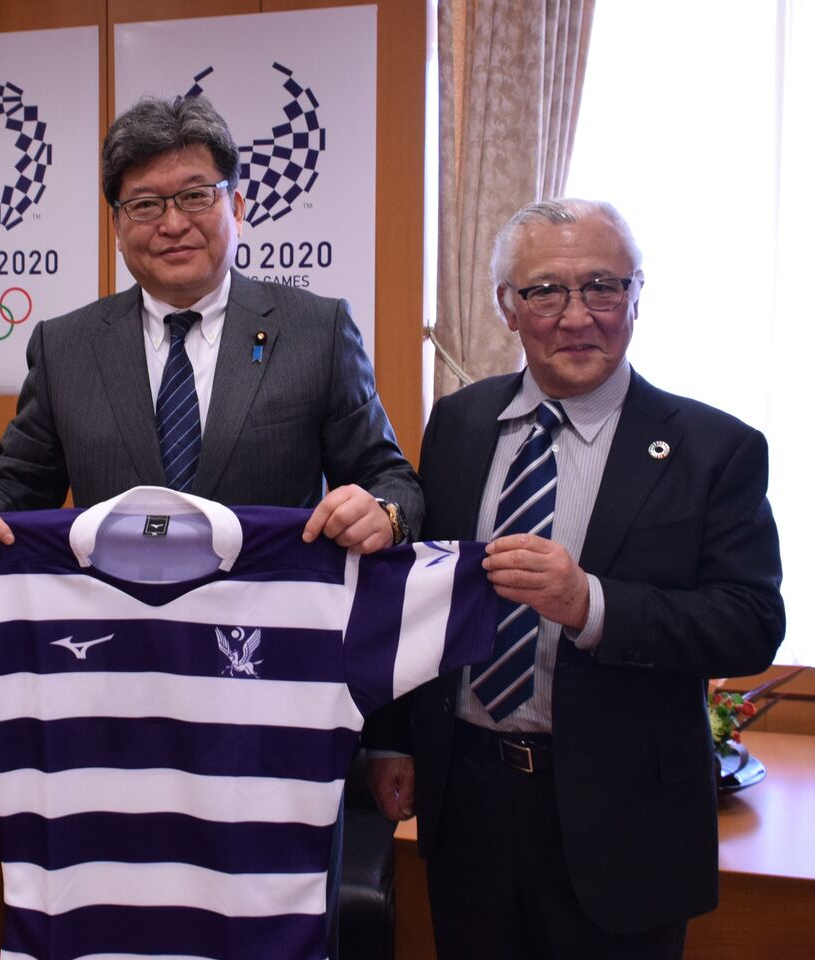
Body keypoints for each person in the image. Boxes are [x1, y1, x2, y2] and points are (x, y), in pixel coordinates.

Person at [0, 93, 423, 950]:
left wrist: (381, 511)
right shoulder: (67, 344)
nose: (172, 222)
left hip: (269, 704)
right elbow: (21, 478)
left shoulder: (315, 330)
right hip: (116, 704)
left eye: (196, 195)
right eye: (144, 204)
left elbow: (392, 479)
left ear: (238, 203)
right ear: (117, 224)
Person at [364, 198, 785, 959]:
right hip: (470, 804)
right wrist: (393, 742)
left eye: (602, 286)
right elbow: (417, 592)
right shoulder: (458, 423)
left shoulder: (714, 448)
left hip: (625, 821)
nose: (578, 316)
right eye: (546, 292)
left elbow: (750, 625)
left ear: (636, 296)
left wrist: (591, 603)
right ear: (507, 307)